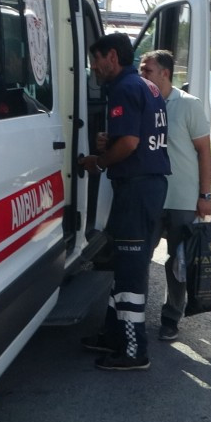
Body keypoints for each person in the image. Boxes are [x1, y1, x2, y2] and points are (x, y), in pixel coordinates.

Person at [78, 34, 170, 371]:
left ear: (111, 57)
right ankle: (114, 335)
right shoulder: (148, 87)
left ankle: (134, 351)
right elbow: (139, 136)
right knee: (123, 265)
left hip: (136, 189)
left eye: (96, 61)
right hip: (146, 188)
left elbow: (130, 143)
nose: (94, 68)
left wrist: (99, 161)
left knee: (130, 271)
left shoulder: (124, 89)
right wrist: (111, 142)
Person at [138, 50, 211, 342]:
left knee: (178, 262)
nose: (142, 75)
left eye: (147, 71)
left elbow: (205, 153)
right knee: (141, 256)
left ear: (165, 73)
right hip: (151, 196)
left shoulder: (188, 105)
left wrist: (205, 194)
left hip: (183, 197)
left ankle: (171, 317)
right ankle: (135, 315)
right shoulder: (142, 102)